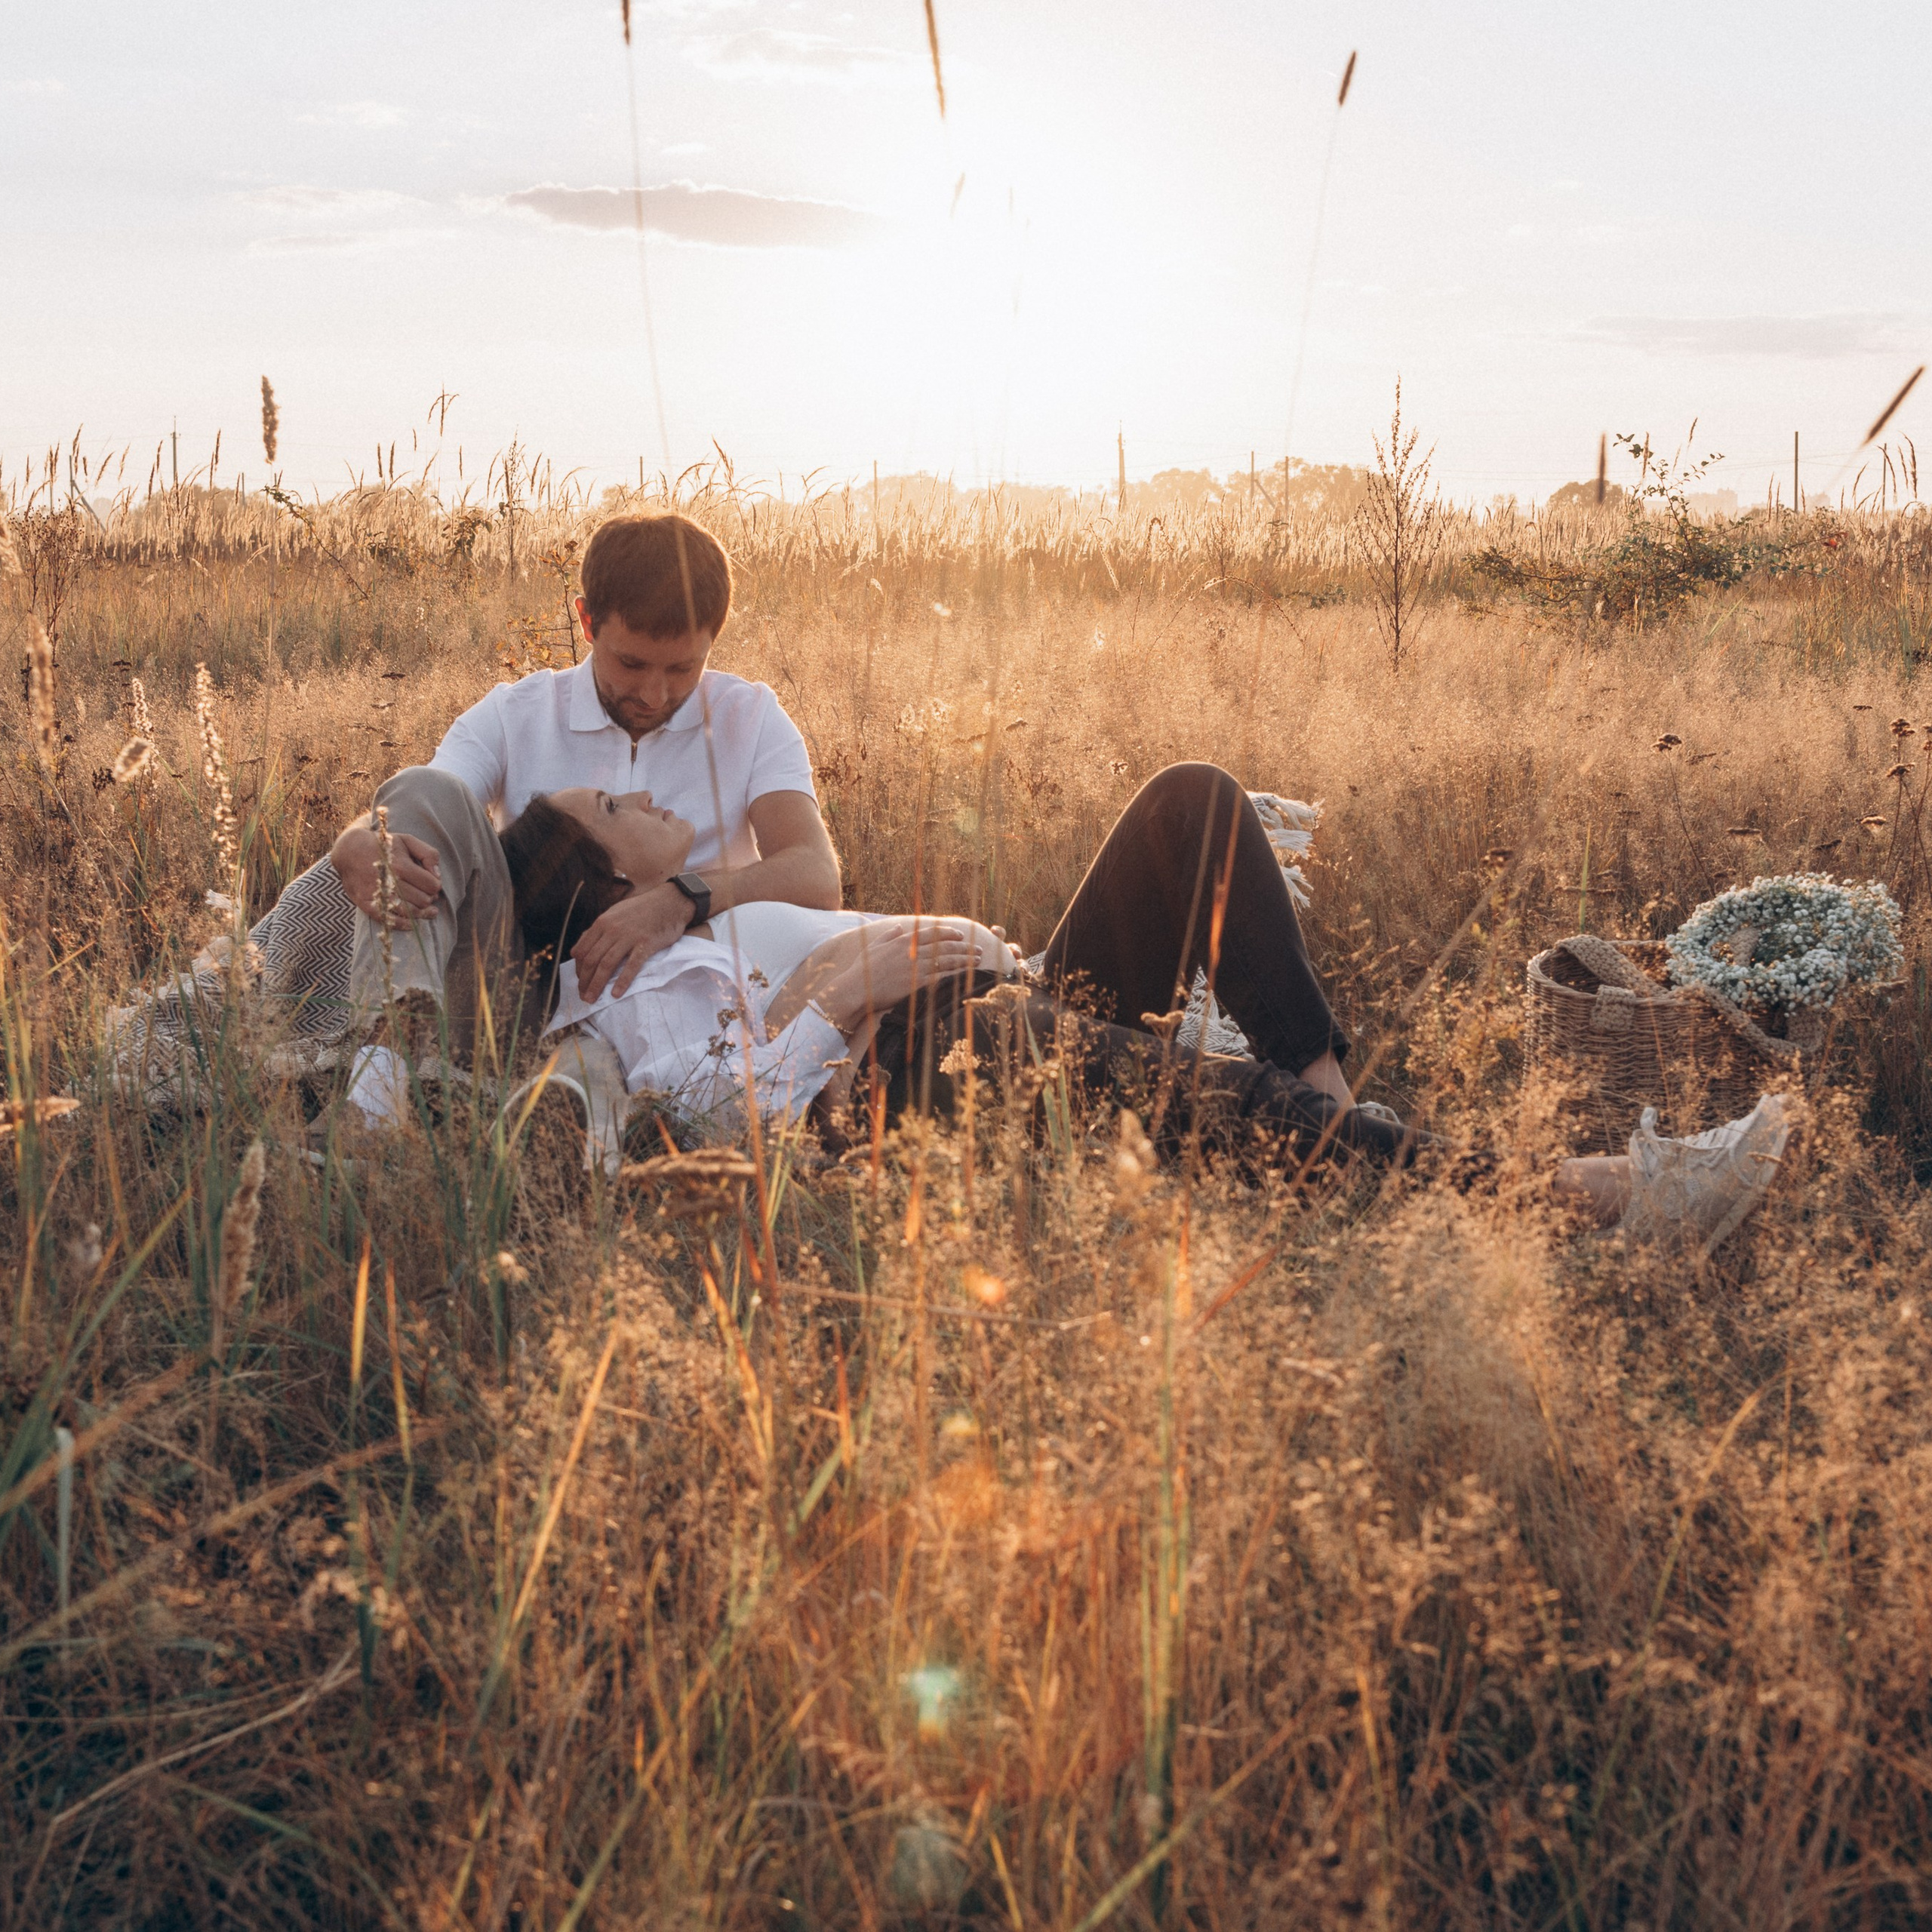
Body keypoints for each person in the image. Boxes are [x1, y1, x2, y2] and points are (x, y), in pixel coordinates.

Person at [493, 764, 1792, 1252]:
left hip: (992, 1015)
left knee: (1192, 805)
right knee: (1142, 1079)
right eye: (610, 808)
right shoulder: (612, 992)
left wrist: (738, 914)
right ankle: (1606, 1195)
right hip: (924, 1073)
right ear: (601, 874)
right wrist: (843, 995)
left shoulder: (687, 915)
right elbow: (730, 1109)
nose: (634, 792)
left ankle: (1326, 1131)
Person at [319, 512, 841, 1065]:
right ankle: (382, 1069)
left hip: (681, 1000)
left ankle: (428, 1083)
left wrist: (681, 899)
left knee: (590, 1076)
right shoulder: (514, 714)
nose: (655, 694)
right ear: (587, 621)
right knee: (409, 823)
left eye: (684, 668)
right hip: (520, 987)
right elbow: (430, 807)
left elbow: (815, 872)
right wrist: (356, 839)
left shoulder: (751, 718)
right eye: (631, 663)